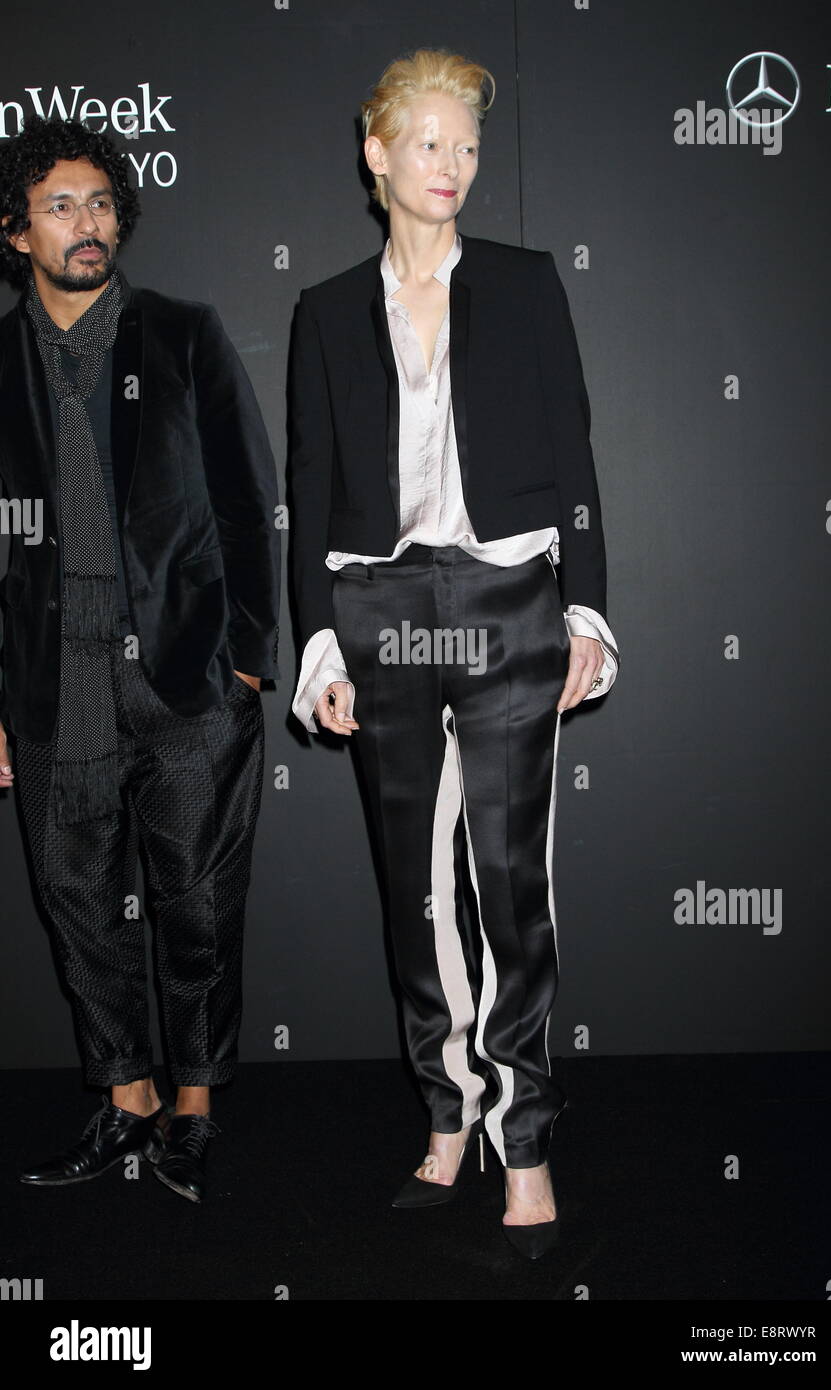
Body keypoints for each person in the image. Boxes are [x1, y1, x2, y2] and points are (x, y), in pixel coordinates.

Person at [288, 48, 619, 1257]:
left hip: (504, 597)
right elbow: (309, 487)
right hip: (380, 610)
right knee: (414, 893)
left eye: (467, 145)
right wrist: (320, 640)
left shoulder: (526, 285)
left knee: (508, 888)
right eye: (427, 142)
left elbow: (575, 463)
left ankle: (522, 1136)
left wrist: (584, 611)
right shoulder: (324, 309)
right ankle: (448, 1111)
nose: (451, 165)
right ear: (377, 156)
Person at [0, 115, 281, 1203]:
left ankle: (195, 1110)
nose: (88, 224)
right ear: (14, 231)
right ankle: (124, 1106)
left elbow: (250, 509)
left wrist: (248, 663)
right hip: (53, 682)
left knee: (197, 907)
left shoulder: (182, 334)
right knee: (78, 905)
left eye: (101, 203)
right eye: (60, 206)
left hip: (184, 678)